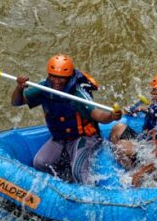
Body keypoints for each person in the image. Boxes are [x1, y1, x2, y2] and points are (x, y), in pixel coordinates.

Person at [12, 54, 122, 183]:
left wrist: (111, 116)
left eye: (61, 78)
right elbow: (17, 102)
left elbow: (98, 115)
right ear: (48, 74)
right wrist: (19, 88)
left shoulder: (78, 93)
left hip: (84, 137)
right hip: (60, 138)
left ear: (69, 77)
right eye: (53, 76)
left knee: (78, 172)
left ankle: (85, 193)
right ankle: (64, 182)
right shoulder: (43, 87)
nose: (57, 81)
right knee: (40, 163)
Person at [108, 72, 157, 168]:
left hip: (153, 150)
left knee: (121, 146)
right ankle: (126, 165)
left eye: (155, 90)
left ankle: (133, 170)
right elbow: (154, 110)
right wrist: (140, 109)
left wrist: (142, 109)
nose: (151, 93)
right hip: (145, 142)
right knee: (118, 128)